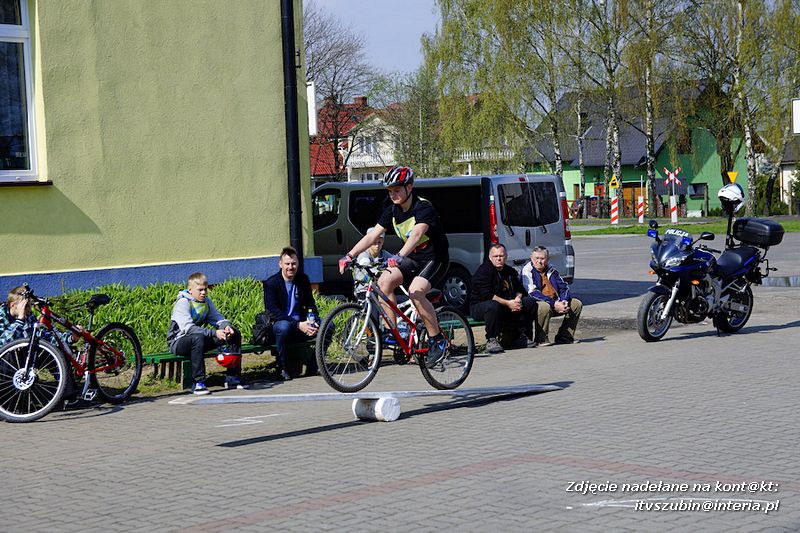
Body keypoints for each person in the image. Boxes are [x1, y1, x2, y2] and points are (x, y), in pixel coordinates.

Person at [338, 166, 450, 368]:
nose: (393, 194)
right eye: (390, 191)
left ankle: (437, 341)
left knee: (416, 293)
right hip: (413, 257)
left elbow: (416, 236)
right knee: (384, 281)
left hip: (435, 258)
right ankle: (394, 332)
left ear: (409, 187)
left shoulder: (423, 208)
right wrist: (349, 255)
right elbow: (372, 236)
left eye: (397, 190)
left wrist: (399, 256)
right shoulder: (390, 210)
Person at [1, 286, 90, 407]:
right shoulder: (2, 316)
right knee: (9, 355)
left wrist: (70, 338)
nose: (29, 310)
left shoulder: (29, 316)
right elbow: (4, 342)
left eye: (30, 306)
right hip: (6, 362)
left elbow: (44, 337)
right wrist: (20, 320)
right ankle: (10, 404)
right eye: (26, 306)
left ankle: (70, 398)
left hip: (26, 358)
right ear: (13, 306)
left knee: (55, 352)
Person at [167, 272, 247, 395]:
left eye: (205, 289)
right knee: (197, 338)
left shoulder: (206, 302)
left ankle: (233, 377)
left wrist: (226, 327)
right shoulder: (183, 303)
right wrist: (214, 333)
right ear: (190, 290)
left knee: (234, 333)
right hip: (178, 342)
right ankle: (198, 383)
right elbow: (189, 329)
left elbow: (218, 318)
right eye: (200, 290)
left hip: (198, 340)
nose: (203, 293)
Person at [264, 246, 319, 381]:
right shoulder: (271, 283)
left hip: (302, 323)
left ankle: (315, 363)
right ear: (280, 264)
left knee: (328, 326)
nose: (290, 267)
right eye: (287, 264)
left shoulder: (302, 279)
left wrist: (314, 321)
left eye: (293, 263)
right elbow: (272, 311)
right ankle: (282, 368)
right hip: (283, 325)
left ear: (298, 263)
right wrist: (297, 324)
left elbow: (310, 303)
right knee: (283, 327)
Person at [469, 243, 537, 354]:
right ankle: (491, 339)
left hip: (506, 304)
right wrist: (509, 303)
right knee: (492, 305)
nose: (499, 259)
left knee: (529, 302)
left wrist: (517, 299)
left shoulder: (510, 272)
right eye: (496, 256)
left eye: (501, 256)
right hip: (481, 306)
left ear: (506, 256)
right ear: (490, 257)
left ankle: (520, 336)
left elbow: (520, 290)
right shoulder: (483, 272)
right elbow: (488, 296)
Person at [521, 246, 582, 345]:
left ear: (547, 259)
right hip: (539, 304)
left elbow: (564, 287)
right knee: (544, 307)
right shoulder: (527, 271)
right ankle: (541, 339)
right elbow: (532, 293)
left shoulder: (552, 270)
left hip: (555, 302)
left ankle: (565, 336)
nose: (539, 261)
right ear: (531, 258)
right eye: (536, 258)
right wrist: (554, 304)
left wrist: (564, 301)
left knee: (576, 304)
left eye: (542, 258)